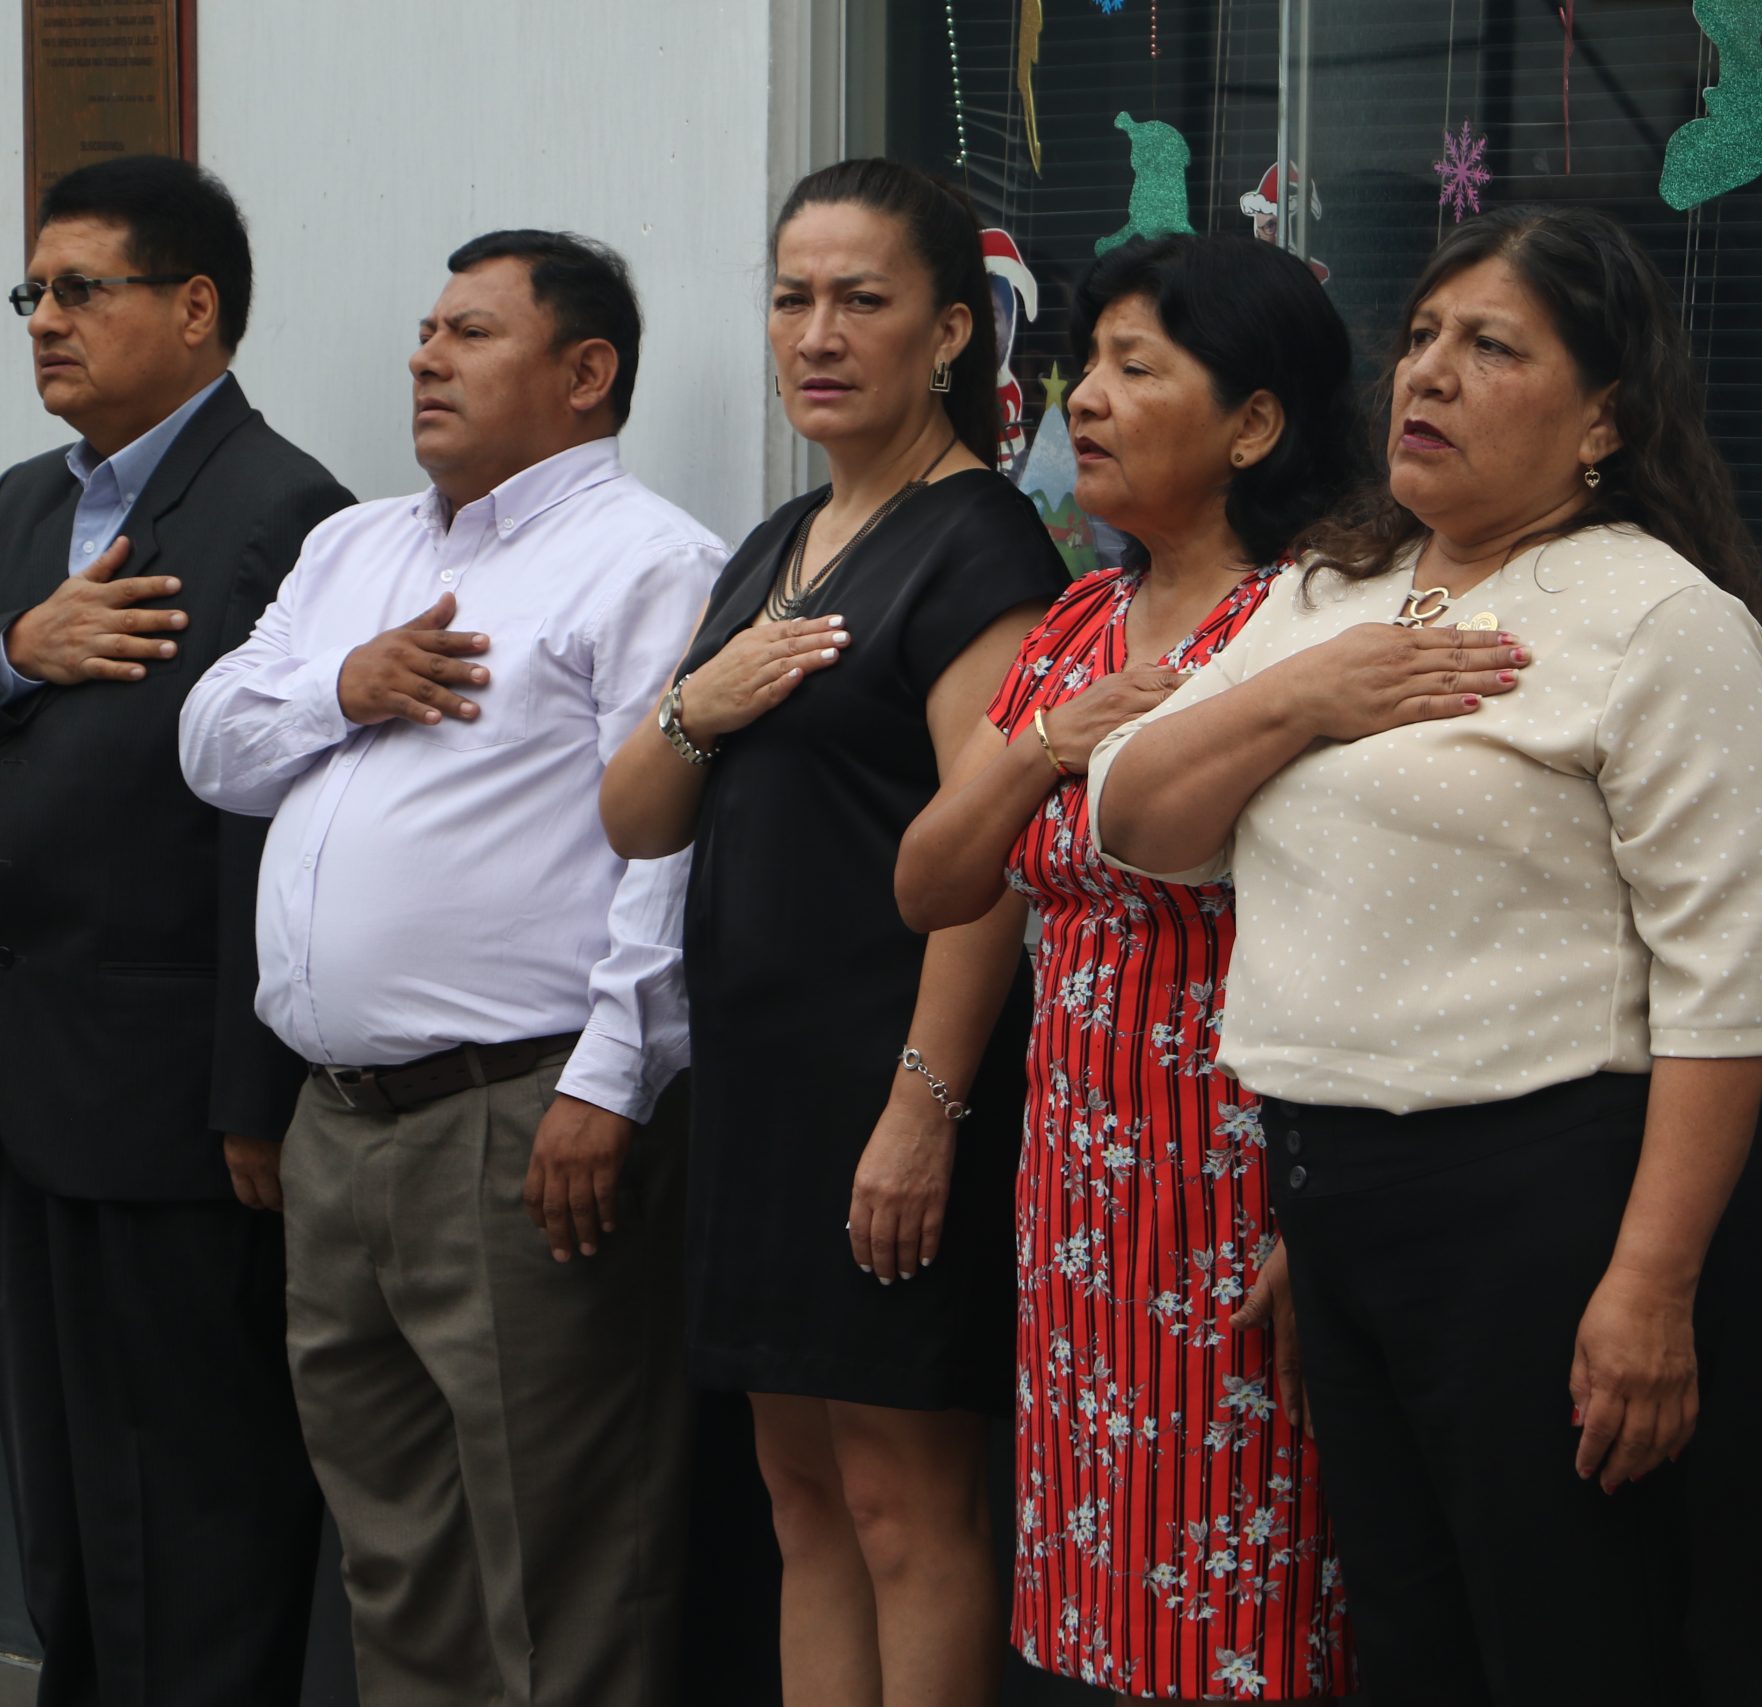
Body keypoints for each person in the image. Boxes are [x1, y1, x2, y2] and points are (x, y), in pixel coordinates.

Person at [1086, 203, 1762, 1705]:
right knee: (1411, 1644)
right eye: (1421, 337)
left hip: (1540, 1205)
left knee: (1571, 1643)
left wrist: (1650, 1287)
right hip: (1330, 1195)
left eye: (1493, 348)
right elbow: (1135, 818)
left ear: (1605, 416)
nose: (1428, 373)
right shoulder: (1328, 592)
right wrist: (1307, 695)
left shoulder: (1658, 620)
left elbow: (1726, 988)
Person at [178, 230, 719, 1706]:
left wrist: (609, 1084)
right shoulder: (355, 549)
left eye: (471, 333)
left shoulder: (651, 562)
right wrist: (341, 689)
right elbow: (213, 745)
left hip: (523, 1115)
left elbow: (669, 853)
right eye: (427, 330)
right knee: (395, 1551)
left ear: (586, 372)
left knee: (562, 1563)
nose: (425, 357)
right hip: (336, 1121)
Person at [0, 155, 348, 1704]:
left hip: (176, 1119)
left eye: (83, 290)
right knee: (63, 1515)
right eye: (34, 292)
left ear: (195, 309)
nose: (44, 321)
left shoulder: (286, 513)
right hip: (20, 1090)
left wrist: (251, 1097)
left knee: (195, 1518)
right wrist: (18, 646)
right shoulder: (33, 504)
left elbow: (278, 826)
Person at [599, 159, 1066, 1707]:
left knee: (901, 1504)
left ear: (951, 333)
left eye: (862, 300)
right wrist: (700, 702)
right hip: (760, 1094)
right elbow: (636, 815)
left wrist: (924, 1109)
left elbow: (993, 860)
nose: (818, 332)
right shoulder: (781, 540)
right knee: (798, 1496)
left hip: (893, 1089)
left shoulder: (983, 544)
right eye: (793, 297)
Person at [895, 234, 1362, 1702]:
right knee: (1109, 1605)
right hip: (1083, 1187)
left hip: (1246, 1179)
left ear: (1255, 423)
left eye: (1134, 368)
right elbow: (932, 879)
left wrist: (1323, 1213)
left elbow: (1369, 929)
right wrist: (1048, 742)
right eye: (1086, 363)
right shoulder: (1080, 623)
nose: (1083, 397)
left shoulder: (1310, 625)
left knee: (1253, 1607)